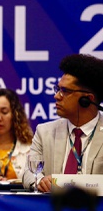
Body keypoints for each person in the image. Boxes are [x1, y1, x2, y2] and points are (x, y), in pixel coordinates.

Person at [23, 54, 103, 192]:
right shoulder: (44, 132)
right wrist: (41, 180)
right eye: (58, 89)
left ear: (87, 99)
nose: (56, 96)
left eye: (65, 91)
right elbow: (28, 172)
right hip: (53, 210)